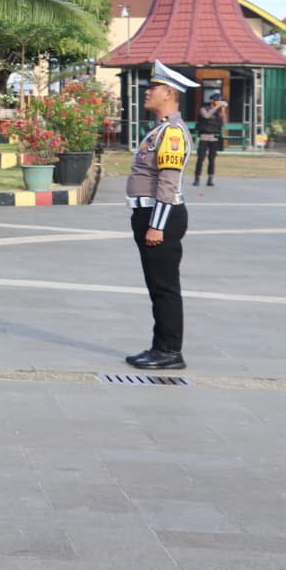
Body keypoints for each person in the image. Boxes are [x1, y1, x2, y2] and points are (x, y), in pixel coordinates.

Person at [125, 61, 197, 371]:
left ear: (168, 93)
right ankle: (160, 346)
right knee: (157, 285)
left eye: (152, 89)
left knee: (165, 286)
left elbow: (169, 183)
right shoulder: (160, 129)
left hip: (160, 216)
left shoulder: (172, 133)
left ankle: (170, 350)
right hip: (149, 213)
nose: (147, 93)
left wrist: (157, 225)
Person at [193, 92, 227, 187]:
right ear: (212, 100)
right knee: (200, 158)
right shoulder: (203, 109)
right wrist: (216, 107)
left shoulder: (219, 112)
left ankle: (210, 178)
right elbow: (206, 116)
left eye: (219, 100)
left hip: (214, 138)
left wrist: (223, 111)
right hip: (204, 137)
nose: (218, 102)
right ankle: (197, 178)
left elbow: (224, 124)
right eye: (217, 100)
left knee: (212, 159)